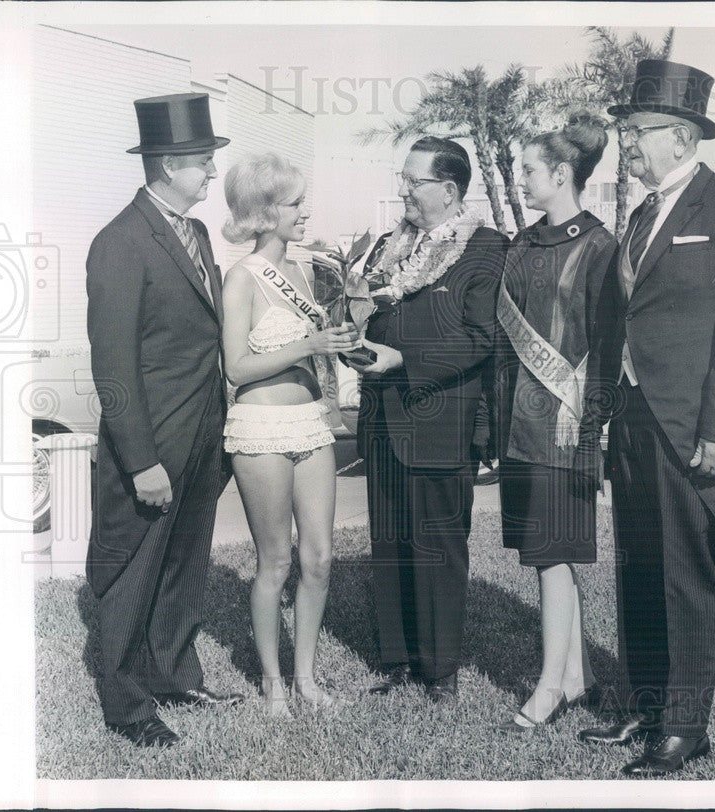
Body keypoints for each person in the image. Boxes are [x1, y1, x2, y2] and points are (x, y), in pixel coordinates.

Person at [577, 60, 715, 774]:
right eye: (624, 132)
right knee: (639, 569)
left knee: (688, 576)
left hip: (694, 426)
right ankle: (645, 706)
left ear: (682, 135)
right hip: (634, 424)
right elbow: (622, 321)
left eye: (635, 131)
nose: (625, 145)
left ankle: (686, 726)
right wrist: (604, 415)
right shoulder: (639, 213)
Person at [86, 93, 243, 748]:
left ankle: (173, 672)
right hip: (151, 450)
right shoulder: (120, 243)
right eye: (204, 164)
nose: (212, 175)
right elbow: (115, 368)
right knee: (130, 573)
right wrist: (142, 459)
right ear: (170, 164)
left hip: (204, 440)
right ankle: (126, 706)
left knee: (184, 566)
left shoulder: (198, 234)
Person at [354, 136, 508, 703]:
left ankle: (441, 671)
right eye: (403, 179)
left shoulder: (486, 247)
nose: (403, 191)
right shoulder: (392, 247)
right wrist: (359, 343)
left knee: (439, 548)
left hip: (440, 421)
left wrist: (406, 360)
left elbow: (481, 336)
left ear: (448, 189)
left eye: (412, 181)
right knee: (390, 542)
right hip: (381, 420)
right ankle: (397, 660)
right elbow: (374, 312)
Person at [220, 154, 359, 716]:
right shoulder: (242, 277)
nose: (306, 212)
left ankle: (307, 678)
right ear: (264, 210)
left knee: (320, 558)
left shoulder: (305, 273)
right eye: (296, 203)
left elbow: (320, 347)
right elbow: (236, 368)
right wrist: (307, 346)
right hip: (260, 427)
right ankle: (273, 684)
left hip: (310, 422)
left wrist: (342, 338)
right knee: (275, 561)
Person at [491, 117, 617, 732]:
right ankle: (579, 675)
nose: (523, 180)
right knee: (547, 554)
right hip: (519, 426)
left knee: (551, 555)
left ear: (562, 176)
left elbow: (608, 346)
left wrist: (592, 430)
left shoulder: (599, 247)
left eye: (530, 171)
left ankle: (549, 687)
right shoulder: (523, 244)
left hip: (566, 428)